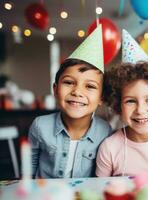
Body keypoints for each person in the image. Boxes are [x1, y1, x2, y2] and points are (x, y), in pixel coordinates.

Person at [28, 25, 112, 178]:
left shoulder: (105, 131)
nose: (77, 92)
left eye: (90, 86)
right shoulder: (40, 126)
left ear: (102, 97)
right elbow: (29, 166)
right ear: (55, 89)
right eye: (68, 82)